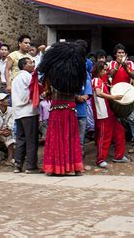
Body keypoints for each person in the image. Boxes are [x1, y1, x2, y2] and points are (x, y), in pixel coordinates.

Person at [39, 42, 86, 175]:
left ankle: (57, 167)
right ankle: (72, 168)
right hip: (70, 109)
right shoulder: (75, 78)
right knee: (70, 138)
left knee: (56, 138)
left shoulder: (51, 78)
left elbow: (46, 92)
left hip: (56, 109)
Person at [91, 61, 127, 168]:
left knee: (119, 131)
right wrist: (114, 97)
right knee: (104, 137)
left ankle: (119, 156)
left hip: (108, 112)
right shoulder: (96, 80)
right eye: (104, 69)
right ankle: (100, 160)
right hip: (102, 113)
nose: (106, 71)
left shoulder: (102, 81)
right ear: (98, 70)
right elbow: (98, 93)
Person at [12, 57, 39, 173]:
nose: (33, 64)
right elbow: (31, 93)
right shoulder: (28, 76)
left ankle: (18, 164)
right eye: (30, 63)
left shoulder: (15, 78)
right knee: (31, 139)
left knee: (21, 139)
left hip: (18, 112)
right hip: (28, 111)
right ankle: (31, 166)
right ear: (24, 66)